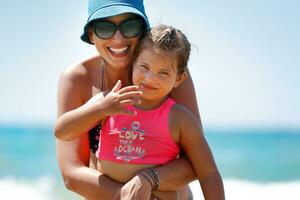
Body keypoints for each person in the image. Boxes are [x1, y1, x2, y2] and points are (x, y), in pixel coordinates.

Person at [55, 0, 210, 199]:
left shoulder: (167, 74)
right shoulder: (78, 79)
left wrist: (148, 179)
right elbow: (71, 173)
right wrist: (126, 195)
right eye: (104, 27)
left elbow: (197, 161)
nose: (118, 38)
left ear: (143, 29)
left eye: (129, 26)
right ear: (91, 34)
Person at [92, 24, 225, 199]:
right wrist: (100, 108)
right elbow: (62, 130)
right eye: (144, 67)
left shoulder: (180, 118)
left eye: (163, 73)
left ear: (179, 78)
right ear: (134, 63)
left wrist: (148, 179)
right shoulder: (113, 101)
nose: (150, 79)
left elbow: (208, 173)